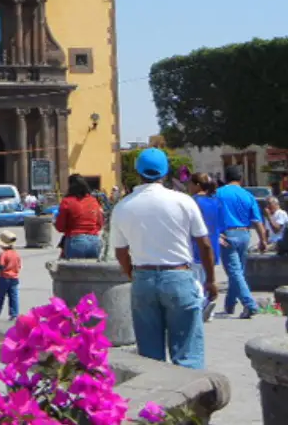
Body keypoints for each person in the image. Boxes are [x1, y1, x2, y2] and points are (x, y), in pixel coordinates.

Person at [112, 148, 217, 370]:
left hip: (143, 277)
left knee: (150, 357)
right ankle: (190, 398)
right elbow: (204, 243)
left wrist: (133, 274)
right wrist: (211, 279)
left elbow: (120, 251)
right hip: (178, 274)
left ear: (137, 172)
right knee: (187, 351)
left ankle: (157, 401)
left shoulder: (123, 206)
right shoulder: (183, 201)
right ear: (165, 172)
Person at [214, 165, 268, 319]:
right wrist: (263, 240)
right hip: (244, 233)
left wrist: (214, 234)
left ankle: (249, 304)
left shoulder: (219, 193)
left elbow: (212, 215)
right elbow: (257, 221)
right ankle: (230, 304)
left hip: (227, 234)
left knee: (235, 272)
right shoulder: (248, 195)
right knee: (238, 272)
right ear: (241, 179)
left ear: (225, 178)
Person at [187, 173, 222, 322]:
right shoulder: (215, 202)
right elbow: (221, 223)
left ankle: (202, 305)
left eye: (190, 184)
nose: (188, 187)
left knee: (196, 279)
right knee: (209, 275)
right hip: (213, 242)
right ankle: (209, 304)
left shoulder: (192, 202)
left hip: (196, 244)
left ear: (197, 185)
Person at [55, 174, 105, 259]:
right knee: (91, 271)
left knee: (74, 271)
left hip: (75, 241)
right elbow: (100, 223)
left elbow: (60, 227)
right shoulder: (93, 201)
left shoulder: (67, 201)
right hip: (94, 241)